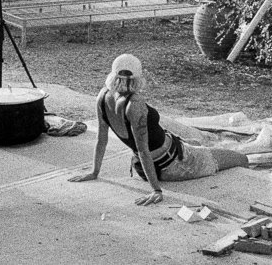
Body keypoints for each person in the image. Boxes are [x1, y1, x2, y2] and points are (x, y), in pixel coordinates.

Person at [68, 54, 250, 205]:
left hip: (144, 166)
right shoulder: (135, 104)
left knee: (198, 144)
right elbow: (143, 150)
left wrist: (94, 172)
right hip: (173, 164)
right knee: (241, 158)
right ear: (138, 77)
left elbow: (102, 139)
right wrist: (156, 190)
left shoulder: (103, 95)